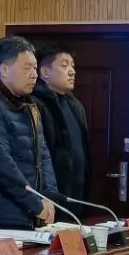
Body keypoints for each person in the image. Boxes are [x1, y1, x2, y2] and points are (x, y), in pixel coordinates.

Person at [0, 36, 60, 229]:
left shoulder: (30, 105)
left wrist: (49, 197)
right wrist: (35, 203)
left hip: (34, 213)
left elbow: (44, 154)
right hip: (3, 216)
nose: (34, 75)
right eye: (27, 68)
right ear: (4, 70)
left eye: (35, 68)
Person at [33, 46, 90, 202]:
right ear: (45, 72)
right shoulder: (35, 104)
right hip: (50, 194)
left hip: (77, 194)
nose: (72, 71)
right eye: (64, 65)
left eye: (72, 66)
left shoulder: (76, 105)